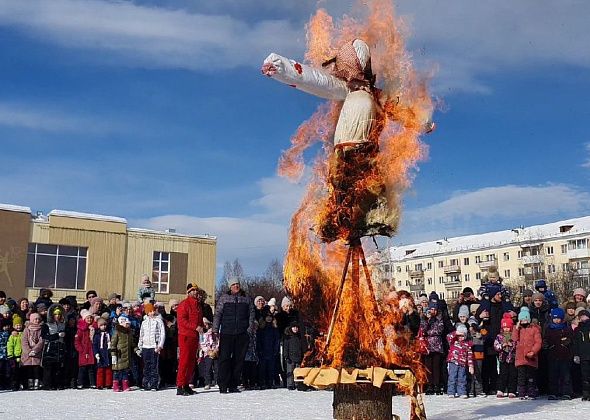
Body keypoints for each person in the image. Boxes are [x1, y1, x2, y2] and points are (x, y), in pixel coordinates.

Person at [213, 276, 255, 394]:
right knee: (224, 359)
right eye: (233, 285)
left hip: (242, 333)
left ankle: (233, 384)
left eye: (237, 284)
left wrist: (249, 329)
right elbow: (218, 314)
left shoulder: (246, 299)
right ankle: (223, 384)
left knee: (238, 360)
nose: (236, 286)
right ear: (230, 287)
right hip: (227, 332)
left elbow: (251, 314)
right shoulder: (224, 299)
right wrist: (215, 329)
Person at [176, 282, 204, 396]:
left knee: (192, 362)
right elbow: (182, 320)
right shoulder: (184, 304)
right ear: (188, 292)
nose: (195, 292)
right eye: (193, 290)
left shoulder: (198, 305)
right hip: (185, 336)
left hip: (194, 336)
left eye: (196, 290)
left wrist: (202, 325)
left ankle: (187, 384)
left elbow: (198, 319)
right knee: (184, 361)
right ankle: (180, 385)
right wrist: (195, 327)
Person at [544, 307, 573, 400]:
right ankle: (553, 392)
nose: (557, 320)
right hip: (553, 355)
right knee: (553, 375)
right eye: (555, 318)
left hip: (564, 355)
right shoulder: (549, 328)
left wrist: (567, 341)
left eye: (558, 318)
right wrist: (546, 345)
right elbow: (546, 339)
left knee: (565, 375)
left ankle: (566, 392)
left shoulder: (566, 328)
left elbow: (571, 339)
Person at [513, 307, 542, 400]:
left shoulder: (534, 329)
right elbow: (514, 339)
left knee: (531, 376)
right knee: (521, 376)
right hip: (520, 357)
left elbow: (538, 342)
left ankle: (531, 392)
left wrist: (533, 351)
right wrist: (516, 328)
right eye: (521, 320)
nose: (524, 321)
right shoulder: (518, 329)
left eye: (525, 319)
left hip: (531, 357)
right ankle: (521, 392)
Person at [138, 302, 166, 391]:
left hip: (155, 346)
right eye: (150, 311)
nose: (152, 313)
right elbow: (141, 334)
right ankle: (146, 383)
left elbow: (162, 334)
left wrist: (160, 345)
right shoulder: (144, 322)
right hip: (146, 346)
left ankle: (154, 384)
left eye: (153, 311)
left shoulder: (159, 321)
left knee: (154, 366)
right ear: (147, 312)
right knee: (146, 366)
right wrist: (140, 345)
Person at [421, 301, 445, 395]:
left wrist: (429, 332)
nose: (433, 311)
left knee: (436, 367)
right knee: (428, 367)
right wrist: (427, 321)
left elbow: (439, 330)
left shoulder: (439, 319)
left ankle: (437, 385)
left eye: (434, 309)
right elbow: (423, 330)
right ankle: (429, 385)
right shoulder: (424, 319)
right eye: (431, 309)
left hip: (437, 346)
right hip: (427, 346)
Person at [40, 304, 66, 389]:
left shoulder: (62, 325)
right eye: (55, 314)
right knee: (48, 368)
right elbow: (45, 336)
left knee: (58, 368)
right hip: (50, 348)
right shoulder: (46, 325)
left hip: (60, 348)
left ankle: (57, 384)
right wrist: (57, 335)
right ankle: (47, 384)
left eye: (59, 314)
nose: (57, 316)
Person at [446, 324, 474, 398]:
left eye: (462, 336)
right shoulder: (453, 341)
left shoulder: (467, 344)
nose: (460, 337)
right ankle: (451, 392)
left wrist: (471, 365)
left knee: (462, 378)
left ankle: (461, 392)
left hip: (462, 363)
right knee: (452, 377)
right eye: (459, 336)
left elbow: (470, 355)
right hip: (453, 362)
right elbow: (448, 336)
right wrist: (456, 333)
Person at [110, 314, 136, 392]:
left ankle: (125, 385)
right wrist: (113, 355)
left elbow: (132, 344)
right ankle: (116, 385)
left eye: (129, 324)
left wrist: (136, 349)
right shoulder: (117, 332)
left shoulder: (129, 333)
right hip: (119, 355)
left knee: (125, 371)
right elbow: (113, 344)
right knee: (117, 371)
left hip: (126, 355)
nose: (128, 325)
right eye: (126, 324)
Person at [494, 313, 517, 398]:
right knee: (503, 374)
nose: (506, 329)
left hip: (512, 358)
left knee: (512, 374)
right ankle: (501, 389)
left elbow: (517, 345)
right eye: (504, 328)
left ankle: (512, 390)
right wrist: (502, 346)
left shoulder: (514, 335)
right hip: (503, 358)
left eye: (508, 327)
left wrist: (512, 345)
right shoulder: (499, 336)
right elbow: (496, 346)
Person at [257, 313, 280, 389]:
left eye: (270, 317)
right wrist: (259, 349)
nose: (269, 318)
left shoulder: (274, 328)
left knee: (271, 368)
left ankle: (270, 382)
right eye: (267, 317)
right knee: (262, 368)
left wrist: (276, 350)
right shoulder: (261, 329)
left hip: (271, 351)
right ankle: (262, 383)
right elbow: (258, 340)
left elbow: (277, 340)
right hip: (263, 351)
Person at [21, 312, 44, 390]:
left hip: (37, 353)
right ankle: (29, 384)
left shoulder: (41, 329)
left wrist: (35, 350)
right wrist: (28, 351)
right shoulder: (26, 329)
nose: (37, 320)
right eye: (35, 319)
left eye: (38, 319)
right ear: (31, 320)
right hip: (27, 354)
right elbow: (24, 341)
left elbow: (41, 341)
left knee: (36, 370)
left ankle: (36, 383)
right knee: (29, 370)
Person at [75, 309, 96, 389]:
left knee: (91, 368)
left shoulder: (92, 328)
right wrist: (80, 350)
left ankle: (92, 383)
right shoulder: (81, 330)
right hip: (83, 351)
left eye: (90, 318)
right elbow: (77, 341)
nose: (89, 320)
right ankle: (80, 383)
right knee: (82, 369)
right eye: (88, 318)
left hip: (90, 351)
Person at [573, 309, 590, 400]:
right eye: (582, 316)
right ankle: (586, 393)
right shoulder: (577, 330)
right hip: (583, 356)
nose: (584, 318)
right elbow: (576, 343)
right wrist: (576, 355)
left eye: (585, 316)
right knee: (585, 375)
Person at [283, 321, 304, 390]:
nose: (295, 329)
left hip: (298, 356)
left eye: (296, 327)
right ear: (291, 328)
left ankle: (297, 383)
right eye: (294, 327)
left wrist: (302, 356)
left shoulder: (299, 337)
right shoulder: (288, 337)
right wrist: (286, 356)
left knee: (298, 371)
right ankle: (290, 384)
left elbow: (302, 347)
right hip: (290, 357)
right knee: (290, 371)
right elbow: (285, 348)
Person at [93, 318, 112, 390]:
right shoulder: (97, 335)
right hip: (100, 354)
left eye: (104, 325)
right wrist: (96, 353)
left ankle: (108, 383)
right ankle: (99, 384)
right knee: (100, 370)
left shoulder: (108, 334)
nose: (103, 327)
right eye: (101, 325)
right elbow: (95, 345)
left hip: (107, 353)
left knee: (108, 370)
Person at [200, 318, 219, 390]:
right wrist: (207, 351)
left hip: (215, 352)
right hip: (207, 353)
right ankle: (207, 382)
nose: (205, 325)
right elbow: (202, 344)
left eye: (206, 323)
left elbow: (218, 342)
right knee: (207, 368)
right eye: (203, 324)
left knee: (217, 367)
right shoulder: (202, 334)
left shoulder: (215, 333)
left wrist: (216, 349)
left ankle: (217, 381)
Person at [7, 315, 23, 390]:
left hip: (22, 356)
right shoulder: (13, 335)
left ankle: (21, 383)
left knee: (21, 371)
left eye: (20, 325)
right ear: (14, 326)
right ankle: (14, 384)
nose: (18, 327)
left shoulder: (23, 334)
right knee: (14, 371)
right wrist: (10, 355)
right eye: (17, 325)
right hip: (15, 356)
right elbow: (10, 345)